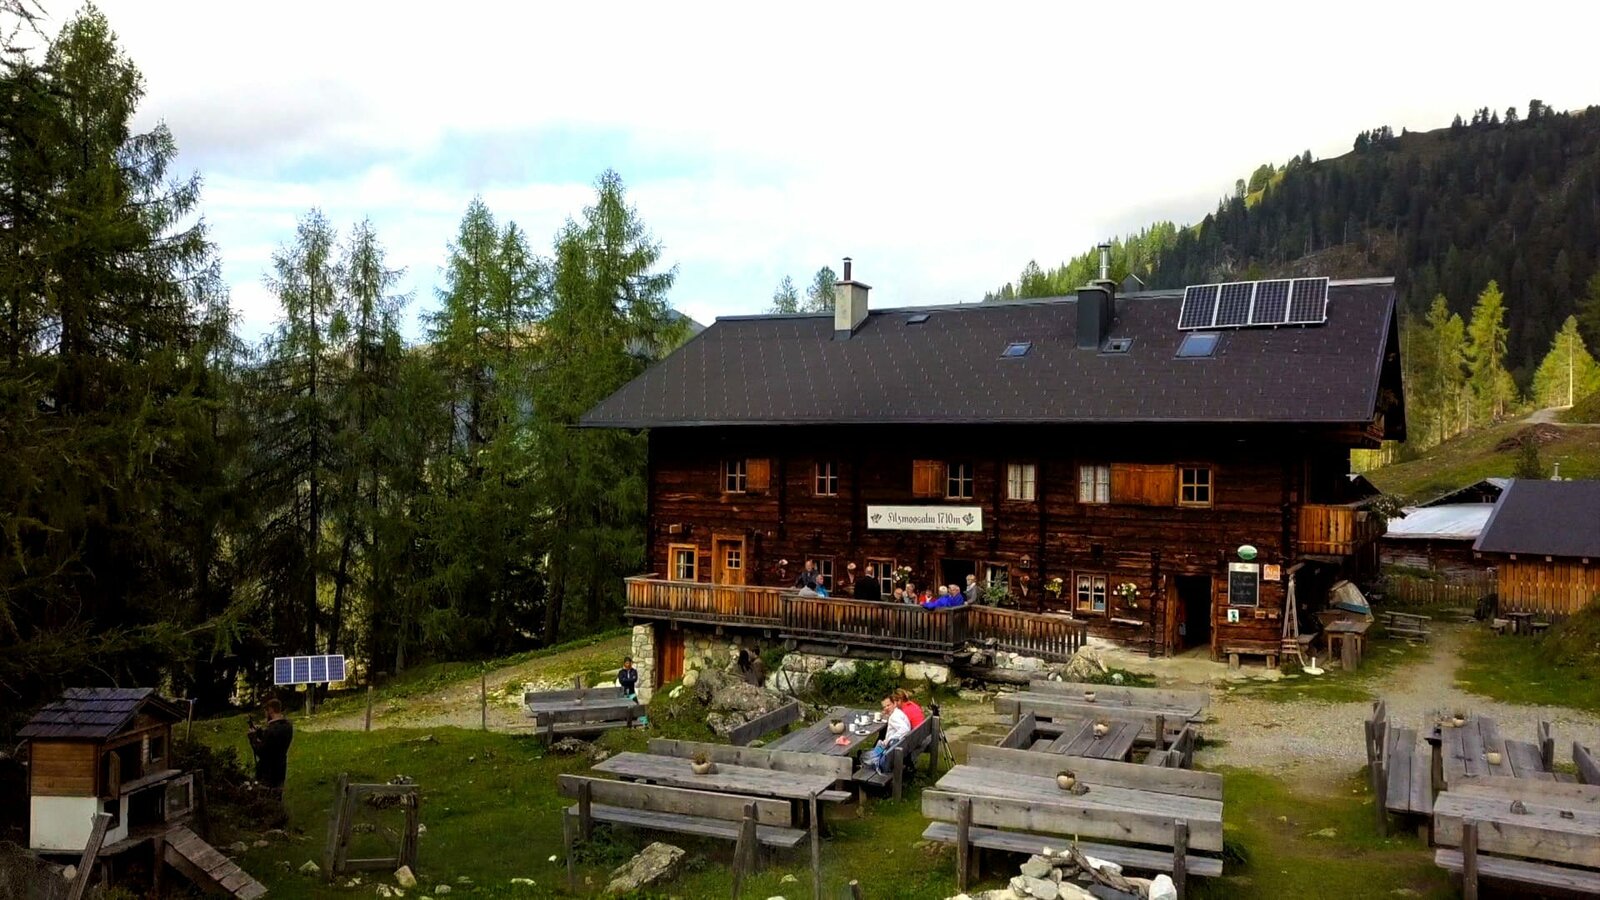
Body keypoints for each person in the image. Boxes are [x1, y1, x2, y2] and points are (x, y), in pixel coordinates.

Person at [247, 698, 294, 791]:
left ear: (271, 710)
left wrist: (253, 739)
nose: (266, 714)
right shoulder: (288, 726)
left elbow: (261, 751)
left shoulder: (271, 730)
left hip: (268, 772)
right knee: (278, 793)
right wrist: (261, 733)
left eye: (266, 711)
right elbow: (274, 742)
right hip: (280, 768)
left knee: (266, 794)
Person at [864, 694, 911, 774]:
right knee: (873, 751)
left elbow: (905, 729)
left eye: (888, 705)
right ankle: (869, 755)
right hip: (897, 749)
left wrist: (889, 740)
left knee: (866, 758)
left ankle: (864, 760)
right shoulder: (898, 713)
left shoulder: (894, 717)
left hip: (889, 756)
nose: (886, 708)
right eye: (884, 707)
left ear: (894, 704)